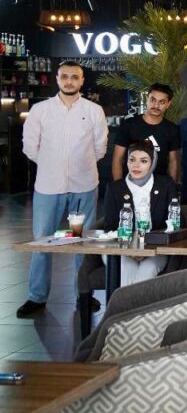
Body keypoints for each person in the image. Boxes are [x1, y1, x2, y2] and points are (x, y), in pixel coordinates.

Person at [19, 61, 107, 318]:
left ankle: (83, 295)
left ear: (82, 81)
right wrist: (51, 165)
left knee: (81, 241)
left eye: (74, 77)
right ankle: (36, 296)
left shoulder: (93, 110)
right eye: (65, 76)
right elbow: (30, 147)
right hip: (49, 186)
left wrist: (78, 167)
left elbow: (100, 147)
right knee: (42, 240)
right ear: (57, 79)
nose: (69, 81)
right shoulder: (41, 110)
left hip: (83, 186)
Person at [101, 141, 176, 286]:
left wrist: (147, 248)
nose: (136, 165)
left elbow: (176, 223)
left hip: (154, 250)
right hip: (120, 249)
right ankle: (134, 302)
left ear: (152, 163)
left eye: (143, 161)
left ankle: (126, 302)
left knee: (147, 270)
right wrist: (130, 250)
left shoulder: (165, 185)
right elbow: (110, 226)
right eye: (132, 160)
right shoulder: (115, 188)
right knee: (125, 269)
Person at [112, 82, 179, 181]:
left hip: (160, 185)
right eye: (153, 100)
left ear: (168, 104)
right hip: (131, 183)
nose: (156, 105)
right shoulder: (129, 125)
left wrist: (171, 187)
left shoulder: (172, 129)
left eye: (162, 102)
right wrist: (118, 187)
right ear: (146, 99)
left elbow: (173, 161)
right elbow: (117, 159)